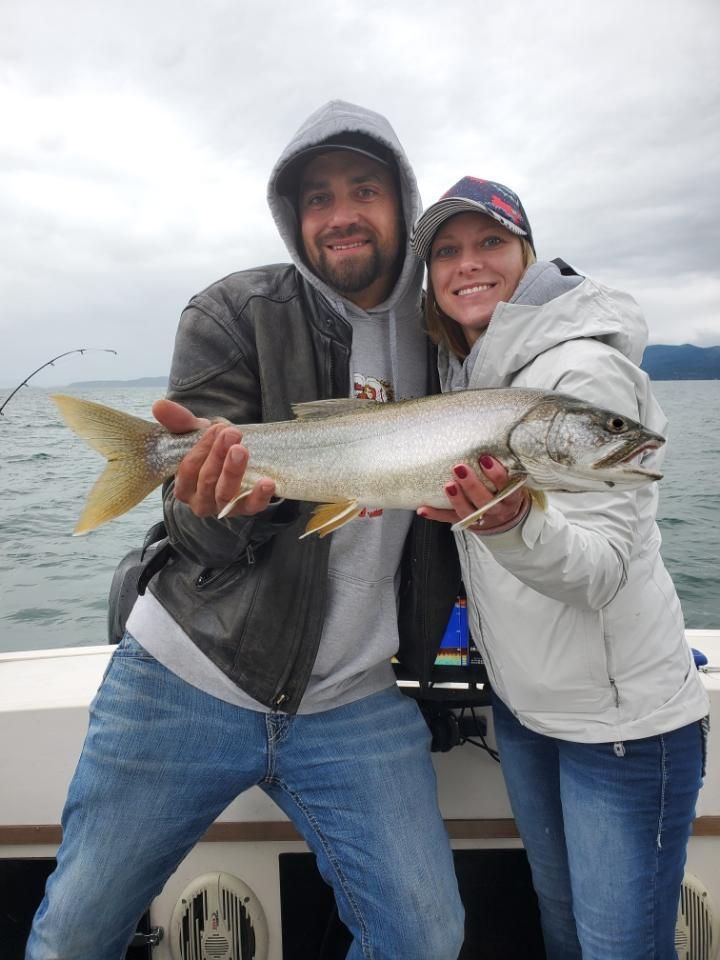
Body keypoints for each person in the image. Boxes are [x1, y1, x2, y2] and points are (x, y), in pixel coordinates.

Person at [26, 102, 465, 960]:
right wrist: (223, 502)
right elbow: (199, 541)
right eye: (317, 197)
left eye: (364, 189)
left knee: (425, 938)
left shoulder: (448, 329)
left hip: (354, 699)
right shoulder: (233, 309)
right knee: (75, 934)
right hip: (187, 674)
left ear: (402, 202)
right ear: (292, 216)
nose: (340, 213)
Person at [411, 176, 710, 960]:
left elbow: (603, 571)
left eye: (490, 243)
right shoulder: (471, 376)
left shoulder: (582, 371)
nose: (468, 264)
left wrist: (509, 521)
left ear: (528, 257)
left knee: (618, 947)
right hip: (529, 712)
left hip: (621, 730)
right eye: (446, 250)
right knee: (563, 926)